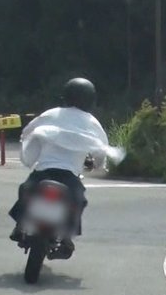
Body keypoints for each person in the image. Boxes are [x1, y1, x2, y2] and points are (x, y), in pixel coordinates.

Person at [8, 78, 123, 252]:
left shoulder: (51, 114)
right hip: (69, 177)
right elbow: (100, 151)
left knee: (26, 189)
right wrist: (98, 165)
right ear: (91, 99)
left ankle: (20, 225)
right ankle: (67, 236)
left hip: (43, 172)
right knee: (78, 200)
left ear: (66, 96)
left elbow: (28, 132)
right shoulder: (92, 122)